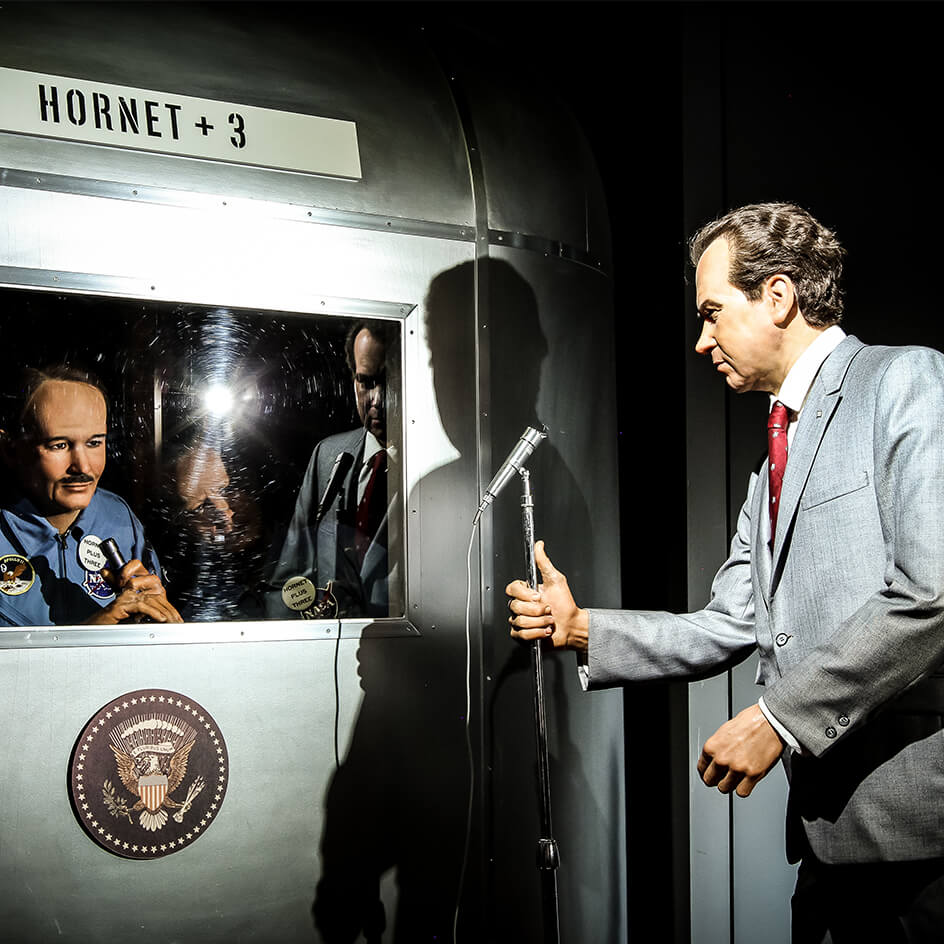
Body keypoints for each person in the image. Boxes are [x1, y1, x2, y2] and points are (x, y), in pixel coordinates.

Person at [506, 202, 944, 941]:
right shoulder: (768, 462)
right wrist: (581, 629)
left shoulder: (904, 380)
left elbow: (932, 593)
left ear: (778, 296)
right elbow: (730, 622)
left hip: (919, 844)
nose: (701, 339)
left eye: (712, 313)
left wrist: (779, 719)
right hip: (825, 843)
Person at [0, 365, 182, 626]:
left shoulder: (118, 517)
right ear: (10, 449)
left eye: (94, 443)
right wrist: (94, 632)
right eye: (59, 445)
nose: (83, 467)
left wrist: (152, 621)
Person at [268, 321, 400, 619]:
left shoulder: (432, 471)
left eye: (389, 382)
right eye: (365, 382)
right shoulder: (328, 455)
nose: (376, 400)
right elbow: (287, 580)